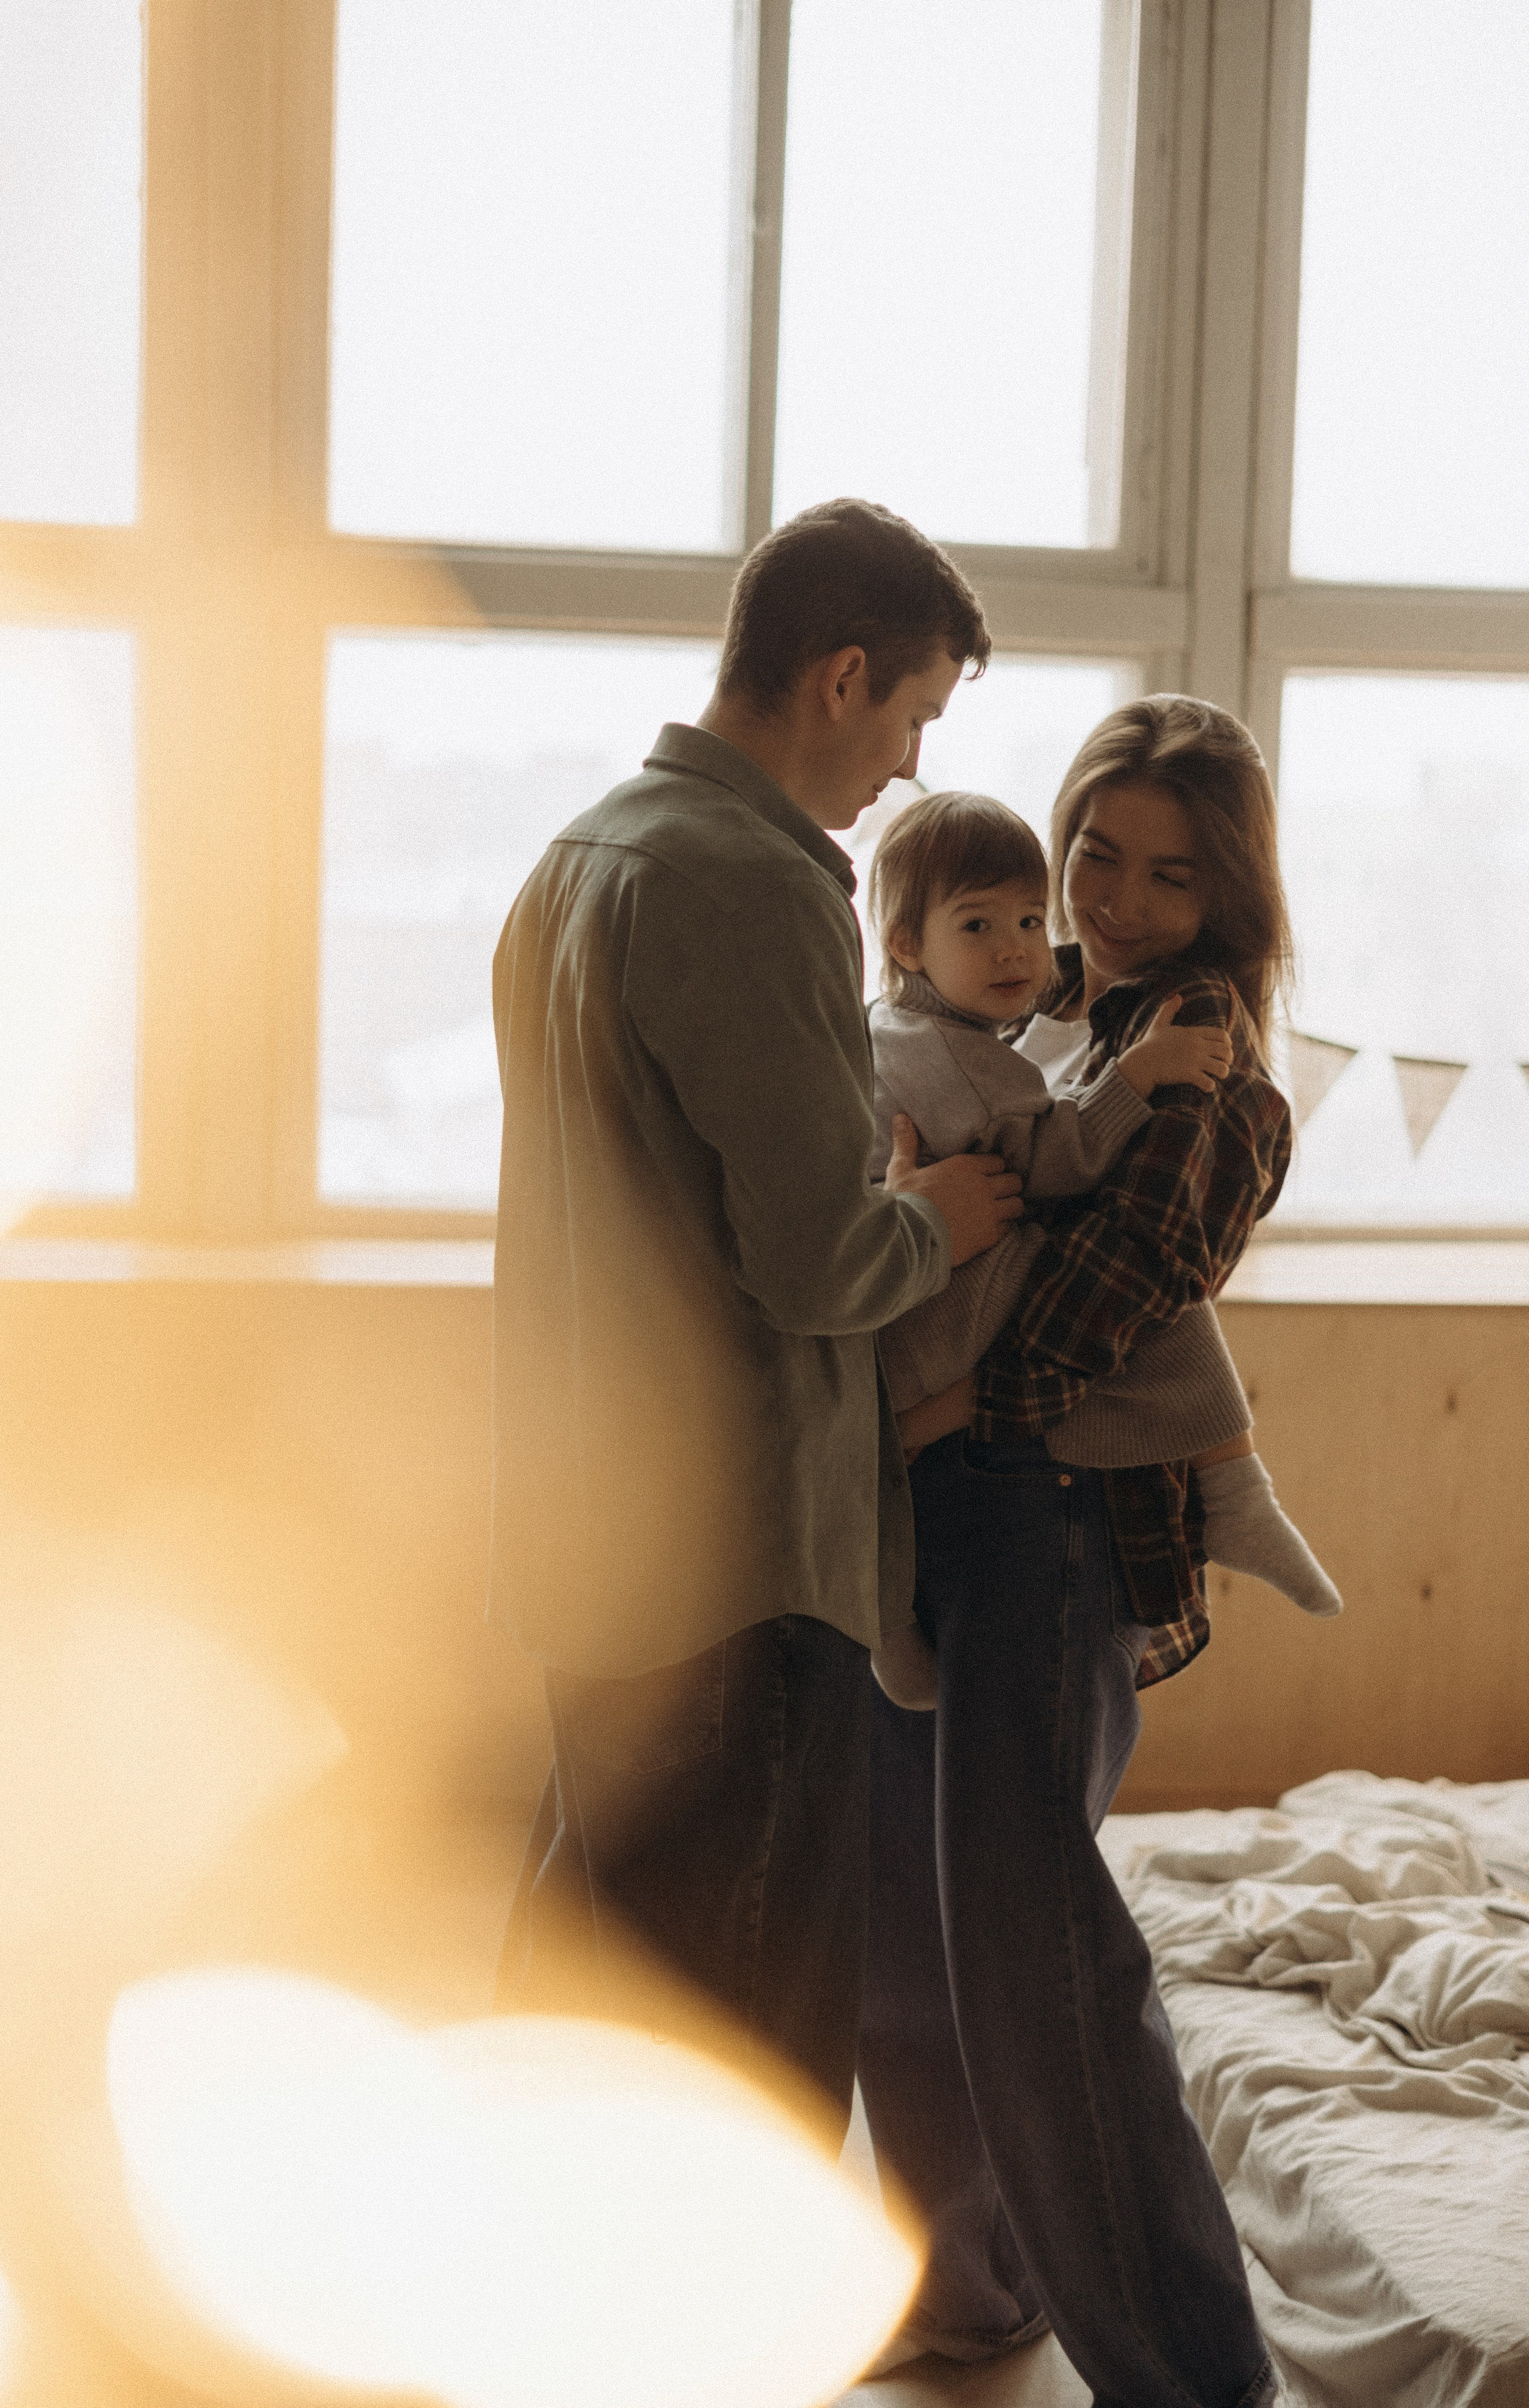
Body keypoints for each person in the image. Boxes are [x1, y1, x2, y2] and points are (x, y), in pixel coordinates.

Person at [488, 498, 1024, 2138]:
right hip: (736, 1561)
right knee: (754, 2078)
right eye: (918, 718)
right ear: (842, 677)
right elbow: (817, 1265)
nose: (909, 771)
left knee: (597, 2005)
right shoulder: (758, 883)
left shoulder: (581, 860)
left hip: (590, 1534)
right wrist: (937, 1218)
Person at [858, 697, 1297, 2408]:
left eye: (1166, 875)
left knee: (1044, 1964)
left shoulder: (1201, 1062)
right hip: (955, 1522)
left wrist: (924, 1399)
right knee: (913, 1921)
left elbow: (1083, 1333)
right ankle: (967, 2288)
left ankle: (1194, 2381)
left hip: (1044, 1519)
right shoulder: (1049, 1020)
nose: (1110, 899)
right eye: (1092, 855)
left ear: (1228, 896)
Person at [863, 788, 1340, 1709]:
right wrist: (1133, 1077)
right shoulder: (969, 1039)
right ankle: (1237, 1491)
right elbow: (1051, 1160)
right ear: (907, 944)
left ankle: (1236, 1495)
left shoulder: (938, 1016)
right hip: (933, 1332)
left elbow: (1138, 1246)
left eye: (1027, 919)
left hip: (979, 1402)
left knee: (1148, 1281)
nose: (1015, 944)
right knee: (1164, 1304)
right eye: (1099, 856)